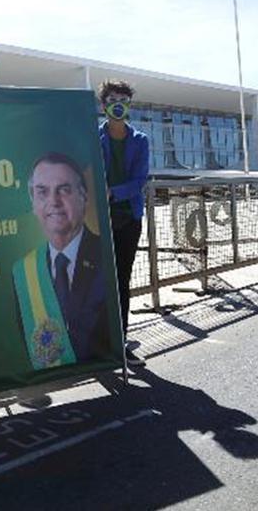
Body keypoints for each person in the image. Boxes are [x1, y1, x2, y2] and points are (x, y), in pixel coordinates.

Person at [12, 152, 111, 370]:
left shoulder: (106, 256)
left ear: (83, 196)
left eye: (64, 190)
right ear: (33, 202)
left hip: (100, 372)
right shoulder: (23, 271)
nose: (54, 202)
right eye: (42, 192)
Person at [99, 79, 149, 367]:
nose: (118, 103)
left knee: (121, 280)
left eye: (123, 99)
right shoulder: (93, 138)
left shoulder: (140, 140)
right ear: (103, 104)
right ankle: (98, 342)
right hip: (98, 220)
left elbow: (140, 180)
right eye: (112, 98)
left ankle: (120, 343)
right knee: (97, 281)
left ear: (129, 104)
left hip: (128, 219)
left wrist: (113, 192)